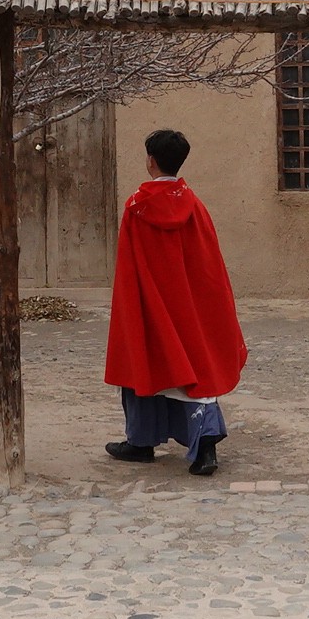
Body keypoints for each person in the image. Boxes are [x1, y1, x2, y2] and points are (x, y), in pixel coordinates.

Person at [103, 127, 245, 475]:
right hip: (190, 307)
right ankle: (205, 448)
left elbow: (130, 265)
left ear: (150, 161)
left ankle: (140, 442)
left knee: (144, 362)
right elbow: (208, 264)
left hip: (151, 304)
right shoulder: (195, 206)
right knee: (198, 368)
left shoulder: (137, 207)